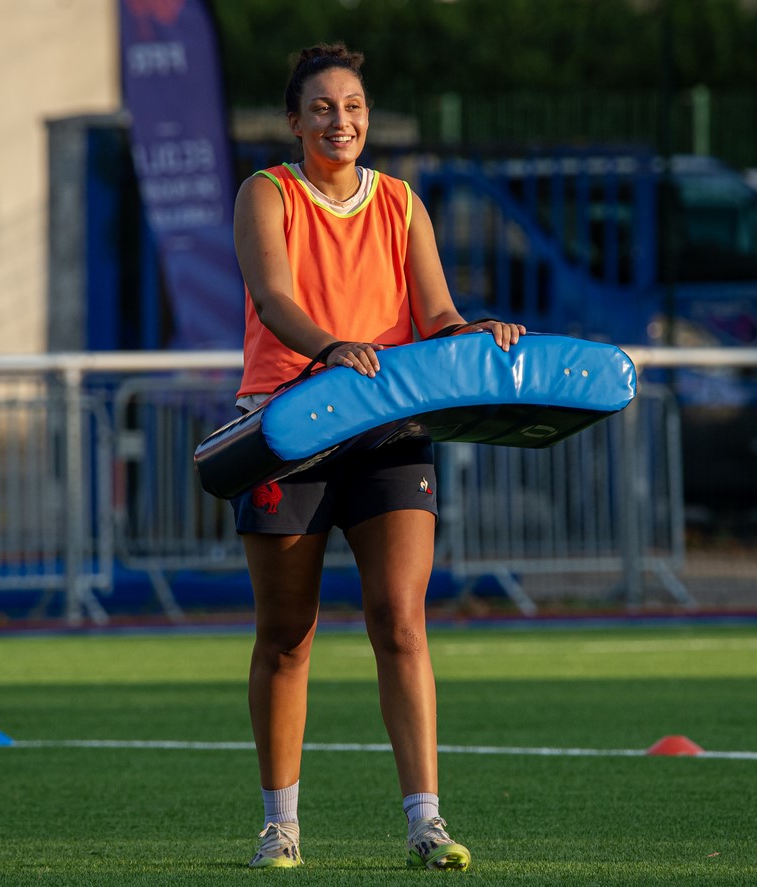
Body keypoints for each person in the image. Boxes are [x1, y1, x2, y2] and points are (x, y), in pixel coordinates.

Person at [229, 42, 525, 871]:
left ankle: (425, 823)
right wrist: (330, 348)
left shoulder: (399, 202)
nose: (340, 121)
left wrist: (480, 332)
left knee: (399, 616)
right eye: (321, 108)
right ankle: (279, 824)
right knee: (287, 634)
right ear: (294, 123)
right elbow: (272, 298)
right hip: (286, 425)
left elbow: (436, 313)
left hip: (389, 430)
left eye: (352, 106)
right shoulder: (267, 193)